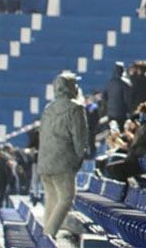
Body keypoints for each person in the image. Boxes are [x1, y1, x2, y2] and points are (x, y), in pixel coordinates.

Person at [39, 72, 90, 237]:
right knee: (66, 199)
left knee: (52, 200)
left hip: (45, 162)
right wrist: (77, 161)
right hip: (63, 163)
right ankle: (49, 233)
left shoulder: (49, 108)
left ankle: (45, 238)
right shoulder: (76, 108)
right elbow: (80, 140)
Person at [104, 62, 132, 126]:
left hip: (110, 113)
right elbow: (127, 99)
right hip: (121, 113)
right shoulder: (125, 83)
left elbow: (105, 97)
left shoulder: (109, 83)